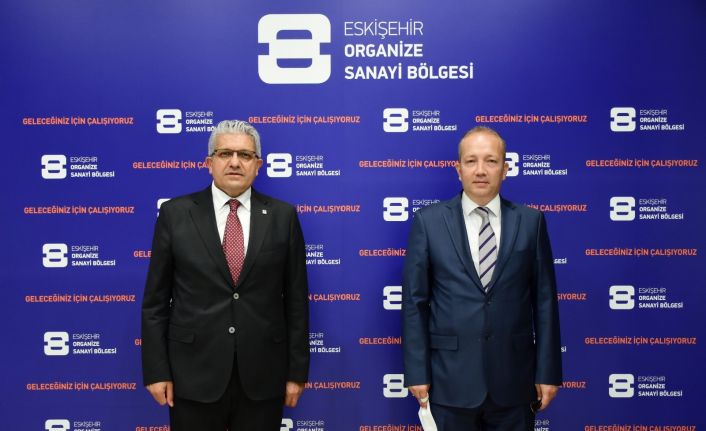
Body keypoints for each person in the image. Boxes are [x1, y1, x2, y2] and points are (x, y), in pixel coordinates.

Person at [141, 120, 309, 431]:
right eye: (225, 153)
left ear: (258, 165)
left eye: (245, 155)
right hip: (192, 375)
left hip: (263, 377)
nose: (234, 162)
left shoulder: (283, 216)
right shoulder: (175, 214)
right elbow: (155, 302)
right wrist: (156, 371)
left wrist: (296, 374)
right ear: (209, 163)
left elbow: (297, 302)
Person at [402, 126, 562, 430]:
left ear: (505, 169)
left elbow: (545, 303)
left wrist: (548, 372)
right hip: (449, 381)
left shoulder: (531, 222)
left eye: (491, 161)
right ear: (458, 169)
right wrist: (417, 372)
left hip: (514, 381)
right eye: (471, 161)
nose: (480, 170)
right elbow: (414, 303)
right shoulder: (428, 222)